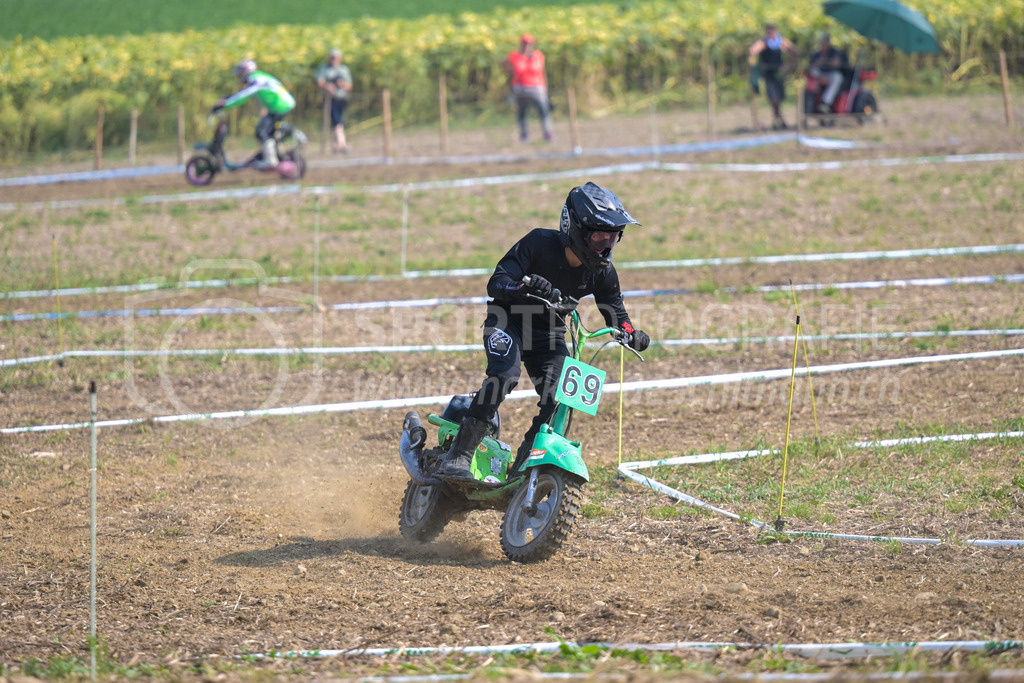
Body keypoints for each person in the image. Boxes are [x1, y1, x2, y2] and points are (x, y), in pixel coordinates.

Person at [438, 182, 652, 481]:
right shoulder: (538, 243)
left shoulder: (601, 271)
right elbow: (496, 283)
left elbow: (614, 308)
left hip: (549, 334)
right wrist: (522, 286)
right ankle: (458, 455)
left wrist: (630, 332)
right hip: (508, 320)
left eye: (614, 238)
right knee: (504, 376)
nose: (606, 246)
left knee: (562, 396)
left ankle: (525, 467)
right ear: (575, 228)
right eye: (599, 236)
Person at [214, 59, 296, 169]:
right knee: (269, 132)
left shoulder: (255, 79)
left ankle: (271, 160)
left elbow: (243, 95)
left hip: (280, 106)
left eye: (241, 74)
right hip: (279, 105)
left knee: (262, 132)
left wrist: (225, 104)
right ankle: (277, 155)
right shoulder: (259, 77)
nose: (240, 77)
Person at [501, 33, 553, 142]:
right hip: (521, 89)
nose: (527, 46)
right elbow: (503, 64)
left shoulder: (538, 56)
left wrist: (545, 87)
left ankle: (547, 133)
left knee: (543, 111)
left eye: (529, 44)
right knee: (522, 112)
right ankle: (524, 135)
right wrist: (510, 73)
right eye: (524, 44)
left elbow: (542, 72)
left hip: (537, 88)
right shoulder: (515, 56)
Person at [748, 23, 800, 130]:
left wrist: (788, 65)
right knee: (774, 99)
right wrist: (753, 65)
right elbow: (752, 51)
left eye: (772, 31)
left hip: (779, 74)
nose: (770, 34)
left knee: (780, 98)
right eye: (768, 32)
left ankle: (778, 120)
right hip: (768, 74)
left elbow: (795, 52)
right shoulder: (763, 42)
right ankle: (779, 120)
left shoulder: (781, 42)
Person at [316, 47, 353, 153]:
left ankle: (336, 145)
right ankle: (342, 144)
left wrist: (342, 84)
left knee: (338, 121)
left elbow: (350, 86)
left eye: (335, 58)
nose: (333, 60)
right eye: (332, 57)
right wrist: (328, 86)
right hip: (330, 99)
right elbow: (320, 81)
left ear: (339, 58)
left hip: (342, 98)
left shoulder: (344, 70)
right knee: (337, 121)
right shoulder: (324, 69)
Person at [808, 33, 850, 114]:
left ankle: (825, 101)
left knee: (837, 77)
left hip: (831, 74)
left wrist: (824, 61)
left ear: (828, 42)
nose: (822, 44)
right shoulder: (816, 54)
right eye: (821, 42)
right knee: (812, 73)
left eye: (823, 42)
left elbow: (836, 63)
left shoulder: (834, 52)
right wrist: (817, 63)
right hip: (819, 75)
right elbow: (811, 67)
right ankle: (812, 96)